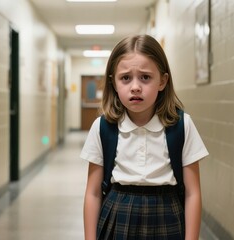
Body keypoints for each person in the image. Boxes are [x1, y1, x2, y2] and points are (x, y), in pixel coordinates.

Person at [81, 34, 209, 240]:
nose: (135, 87)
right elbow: (93, 193)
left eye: (145, 77)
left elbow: (193, 193)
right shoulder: (103, 128)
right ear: (114, 82)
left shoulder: (182, 126)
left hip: (167, 216)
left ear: (162, 81)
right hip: (117, 215)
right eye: (125, 78)